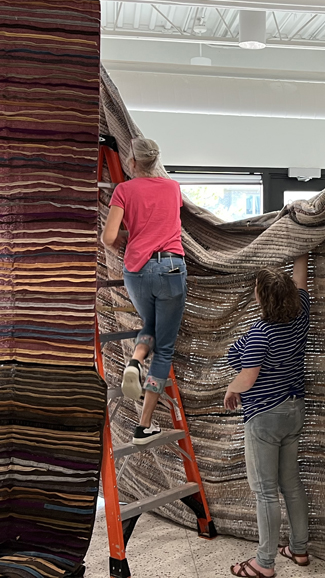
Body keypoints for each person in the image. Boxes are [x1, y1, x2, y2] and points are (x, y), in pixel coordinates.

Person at [226, 254, 312, 578]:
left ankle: (264, 562)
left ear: (262, 296)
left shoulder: (260, 333)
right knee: (291, 482)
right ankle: (299, 548)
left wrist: (230, 389)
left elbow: (247, 378)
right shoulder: (301, 314)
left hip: (264, 415)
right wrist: (301, 246)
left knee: (264, 491)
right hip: (294, 410)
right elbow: (301, 279)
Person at [100, 138, 186, 445]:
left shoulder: (123, 191)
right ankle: (144, 425)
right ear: (156, 160)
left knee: (148, 326)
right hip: (171, 269)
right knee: (163, 349)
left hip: (136, 271)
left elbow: (108, 238)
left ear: (132, 163)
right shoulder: (173, 188)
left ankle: (135, 361)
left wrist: (131, 235)